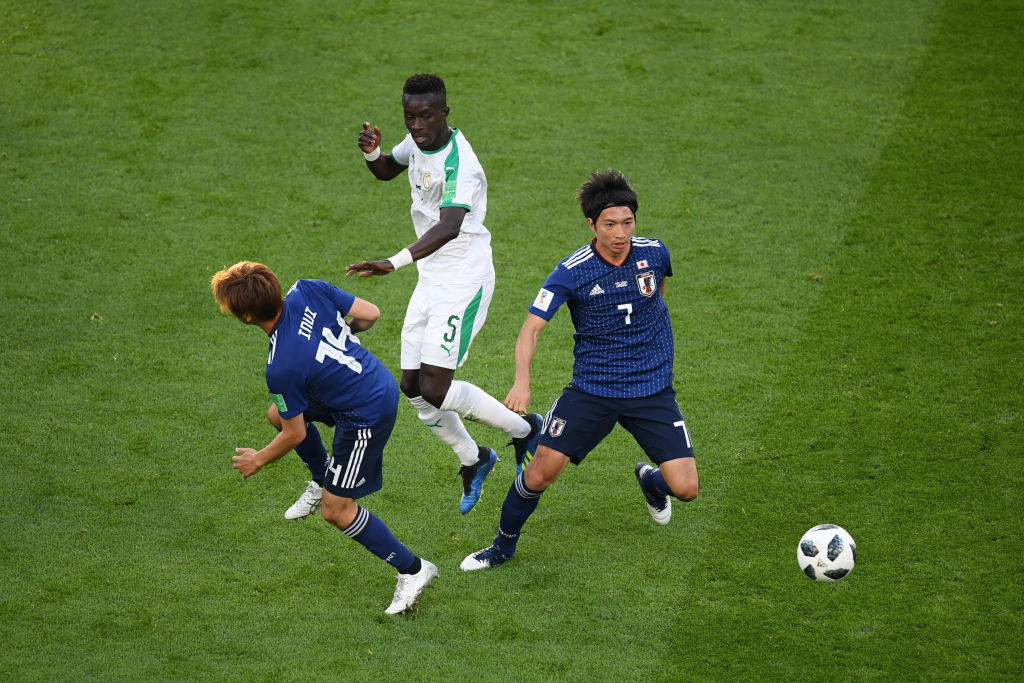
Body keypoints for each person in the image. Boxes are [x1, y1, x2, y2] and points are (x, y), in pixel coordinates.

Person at [460, 170, 700, 571]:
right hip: (593, 389)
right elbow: (531, 329)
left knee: (687, 488)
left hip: (651, 389)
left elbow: (656, 297)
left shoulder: (656, 253)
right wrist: (522, 381)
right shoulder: (572, 271)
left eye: (627, 222)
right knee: (539, 474)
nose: (620, 233)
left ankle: (651, 481)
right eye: (610, 224)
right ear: (592, 225)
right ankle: (501, 547)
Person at [347, 73, 541, 514]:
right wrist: (373, 151)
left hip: (464, 278)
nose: (417, 125)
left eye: (426, 116)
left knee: (435, 386)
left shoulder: (461, 162)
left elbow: (450, 226)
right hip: (431, 276)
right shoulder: (417, 141)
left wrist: (393, 261)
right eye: (409, 116)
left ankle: (526, 430)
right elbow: (386, 170)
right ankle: (474, 458)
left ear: (445, 113)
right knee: (412, 386)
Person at [212, 261, 437, 614]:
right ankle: (322, 479)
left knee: (337, 510)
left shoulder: (280, 367)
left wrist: (258, 459)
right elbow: (370, 314)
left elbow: (295, 434)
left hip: (365, 414)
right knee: (277, 414)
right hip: (370, 377)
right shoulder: (306, 288)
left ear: (246, 317)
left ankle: (413, 569)